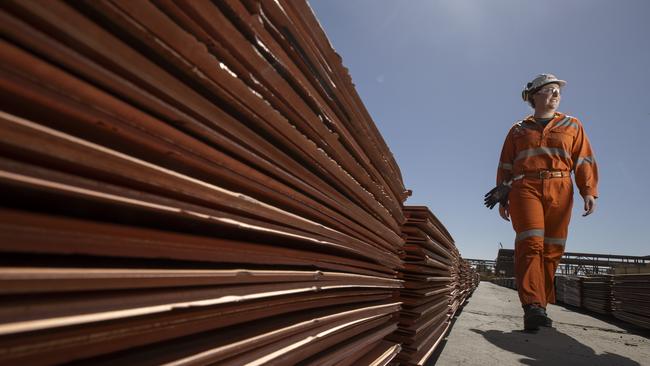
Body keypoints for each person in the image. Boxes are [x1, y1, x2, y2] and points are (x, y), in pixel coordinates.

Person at [494, 73, 599, 331]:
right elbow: (505, 164)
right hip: (525, 187)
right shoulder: (518, 129)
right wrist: (502, 195)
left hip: (561, 187)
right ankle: (532, 306)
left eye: (558, 91)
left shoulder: (573, 125)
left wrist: (588, 190)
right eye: (549, 90)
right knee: (531, 243)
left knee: (552, 249)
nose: (555, 94)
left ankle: (541, 304)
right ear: (534, 96)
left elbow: (583, 159)